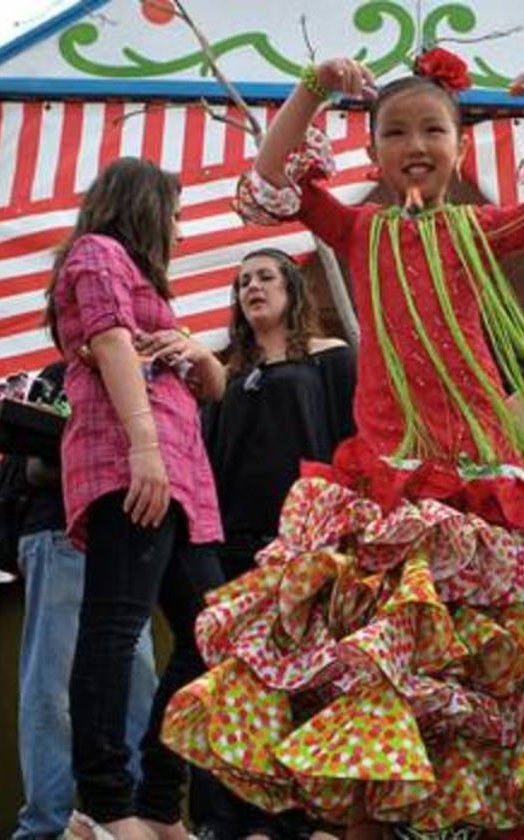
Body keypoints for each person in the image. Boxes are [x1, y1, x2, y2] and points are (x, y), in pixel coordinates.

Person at [161, 48, 524, 836]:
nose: (415, 143)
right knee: (381, 672)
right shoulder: (356, 229)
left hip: (482, 480)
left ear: (461, 146)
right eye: (395, 130)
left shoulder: (482, 226)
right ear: (372, 150)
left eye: (433, 127)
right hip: (389, 483)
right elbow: (272, 180)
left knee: (494, 672)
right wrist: (313, 88)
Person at [44, 156, 225, 840]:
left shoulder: (151, 286)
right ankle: (104, 802)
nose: (177, 229)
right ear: (144, 205)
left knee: (212, 632)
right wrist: (144, 446)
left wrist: (190, 349)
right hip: (131, 462)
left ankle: (155, 802)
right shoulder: (97, 252)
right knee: (115, 628)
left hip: (181, 476)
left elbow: (212, 387)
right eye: (173, 214)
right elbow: (111, 342)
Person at [193, 248, 355, 840]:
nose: (252, 287)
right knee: (236, 688)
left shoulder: (330, 358)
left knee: (305, 683)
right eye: (242, 282)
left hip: (307, 544)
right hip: (233, 546)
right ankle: (227, 819)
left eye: (264, 276)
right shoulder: (223, 371)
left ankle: (299, 818)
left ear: (291, 286)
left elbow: (350, 443)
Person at [11, 363, 158, 840]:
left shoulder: (151, 373)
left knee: (137, 684)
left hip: (122, 541)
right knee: (52, 689)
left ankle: (123, 818)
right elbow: (34, 467)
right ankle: (48, 825)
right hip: (61, 532)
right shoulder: (62, 374)